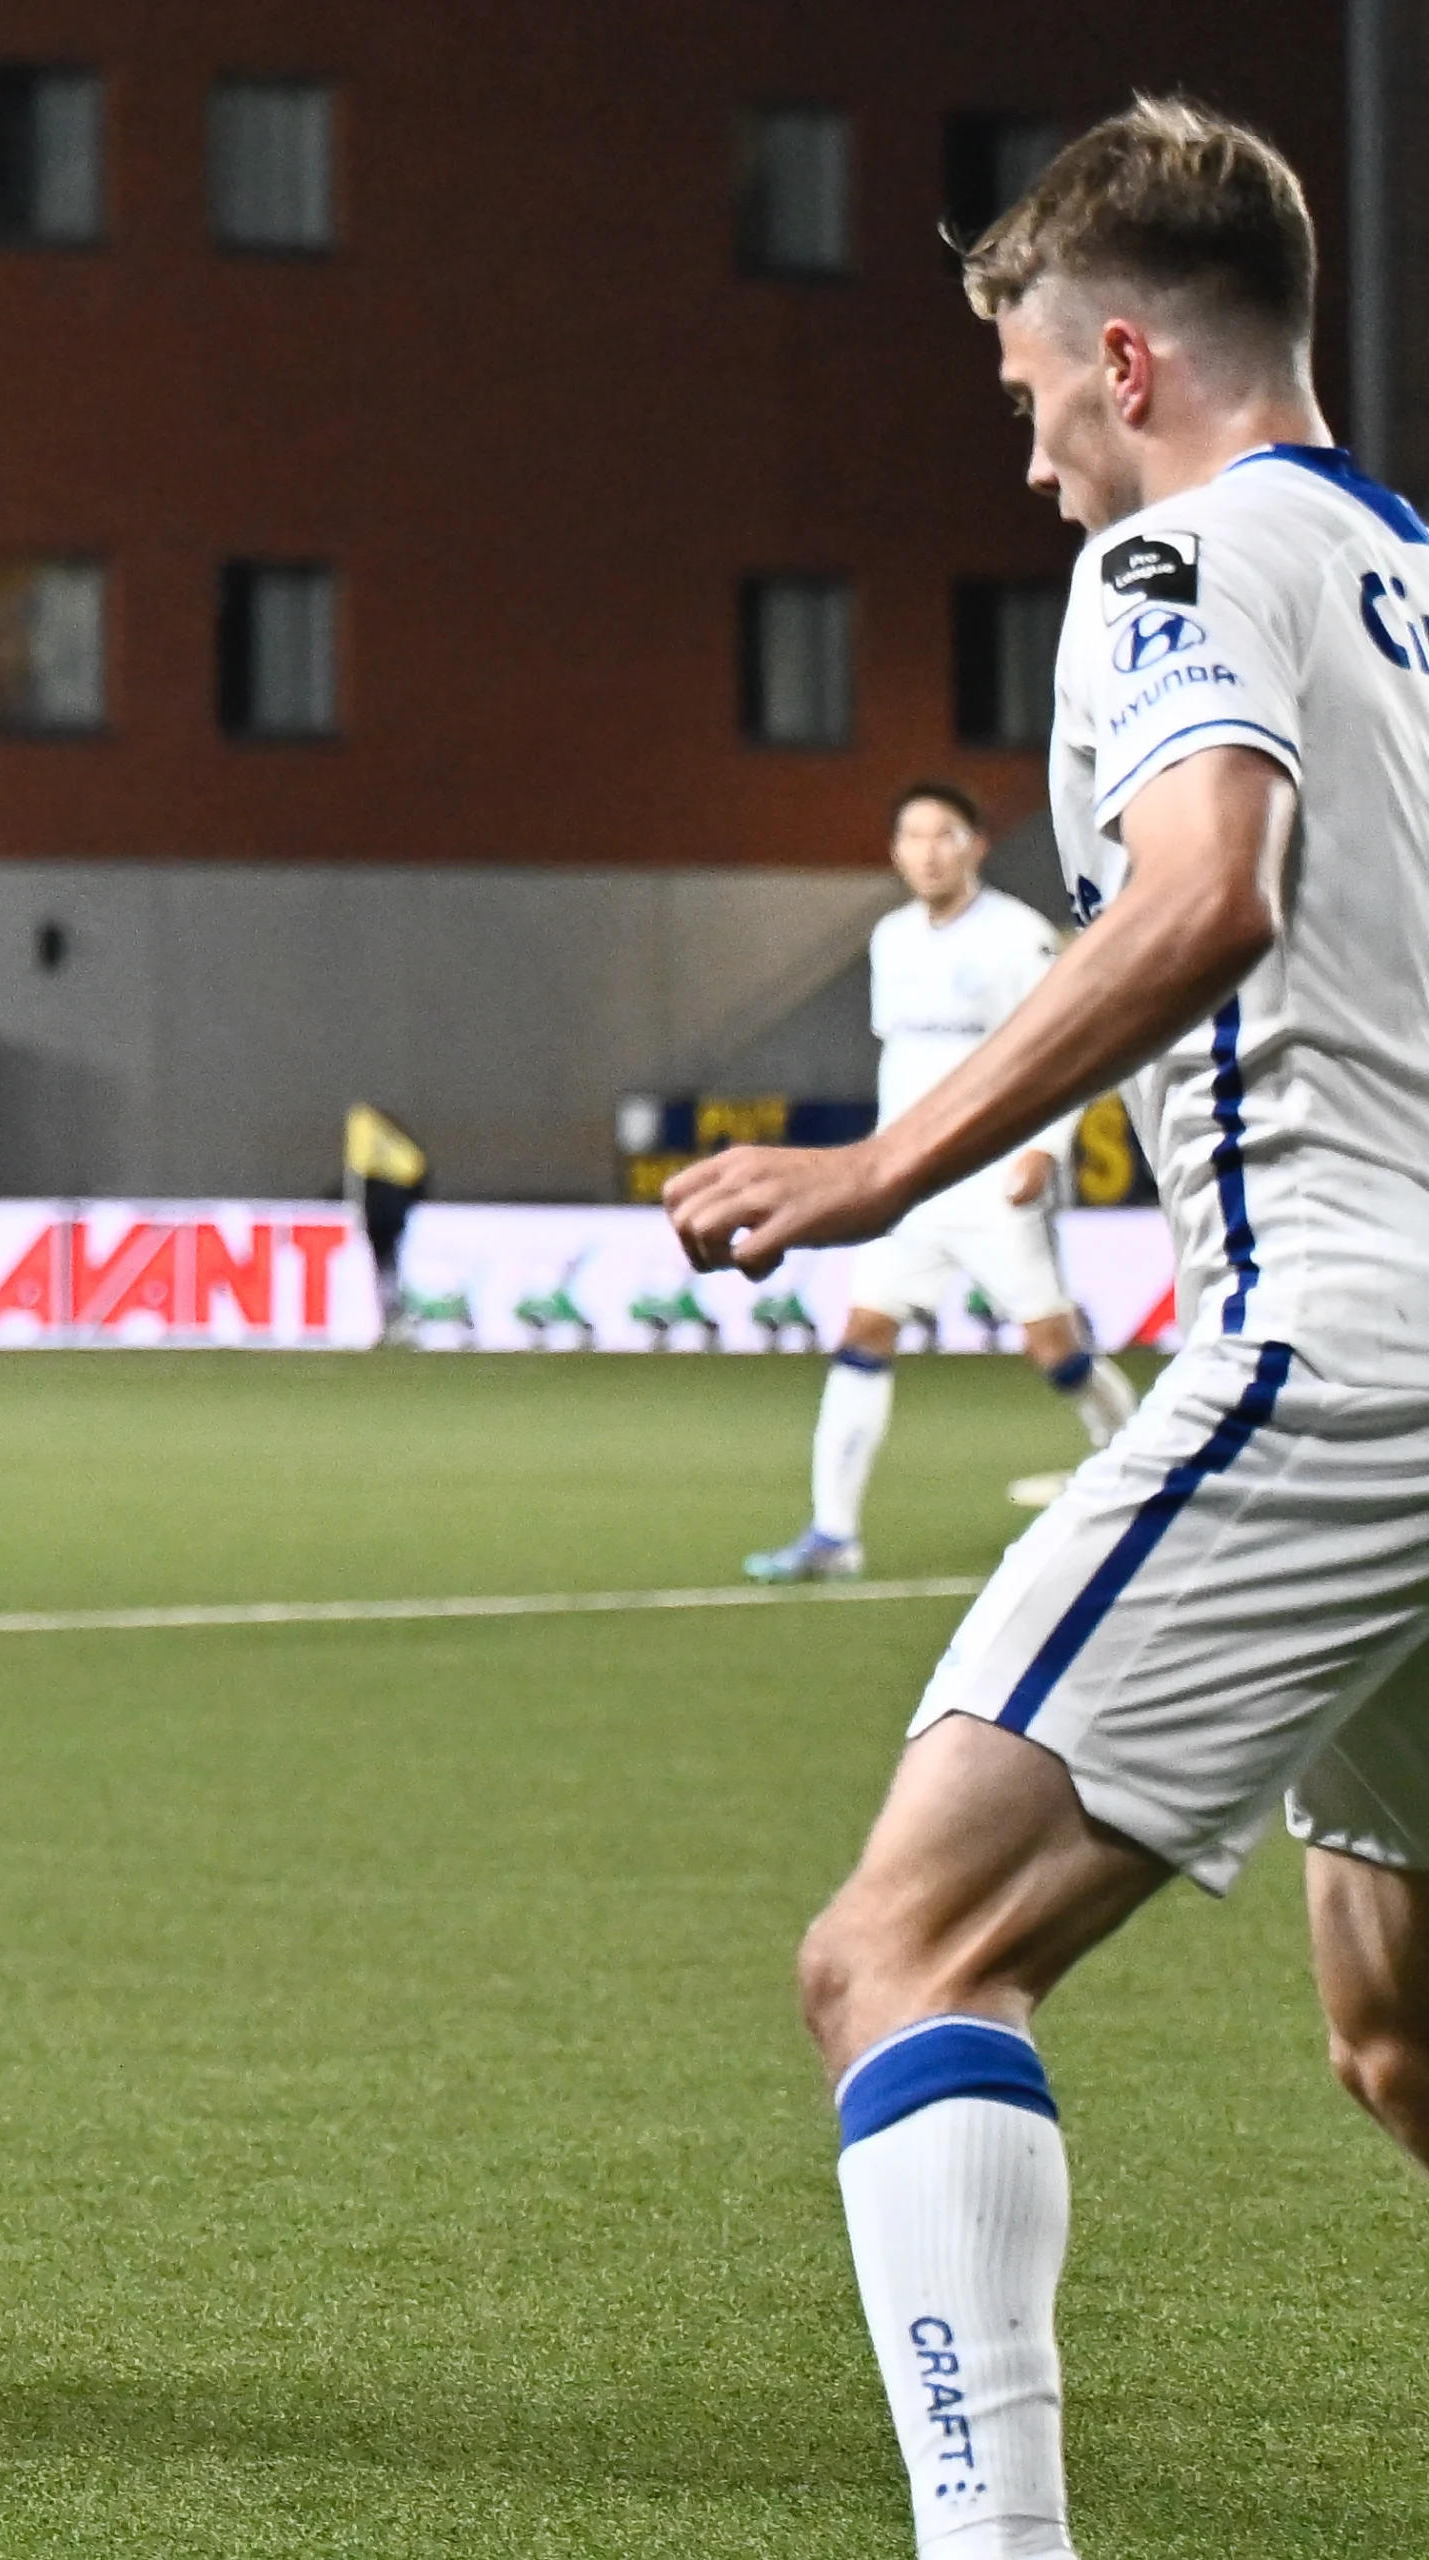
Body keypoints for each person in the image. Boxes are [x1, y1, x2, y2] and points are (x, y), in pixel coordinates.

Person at [668, 100, 1429, 2559]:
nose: (1028, 460)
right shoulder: (1409, 572)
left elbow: (1203, 892)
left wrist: (874, 1165)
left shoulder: (1174, 558)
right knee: (1398, 2029)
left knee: (900, 1946)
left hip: (1348, 1337)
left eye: (1023, 398)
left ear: (1121, 352)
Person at [743, 784, 1141, 1582]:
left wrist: (1047, 1148)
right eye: (912, 836)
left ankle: (1138, 1470)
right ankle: (833, 1534)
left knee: (1051, 1349)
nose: (927, 851)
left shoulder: (1018, 938)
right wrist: (883, 1161)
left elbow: (1063, 1045)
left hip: (993, 1177)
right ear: (895, 851)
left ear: (977, 845)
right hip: (910, 1184)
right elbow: (907, 1063)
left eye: (944, 835)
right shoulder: (891, 938)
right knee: (863, 1334)